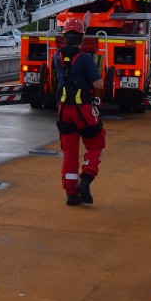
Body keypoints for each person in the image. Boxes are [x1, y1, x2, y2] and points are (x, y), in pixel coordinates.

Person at [52, 17, 105, 207]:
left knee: (70, 152)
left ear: (65, 37)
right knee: (95, 144)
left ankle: (71, 195)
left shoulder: (56, 56)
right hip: (83, 109)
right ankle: (86, 181)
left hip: (64, 109)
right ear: (81, 37)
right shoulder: (85, 58)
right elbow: (98, 84)